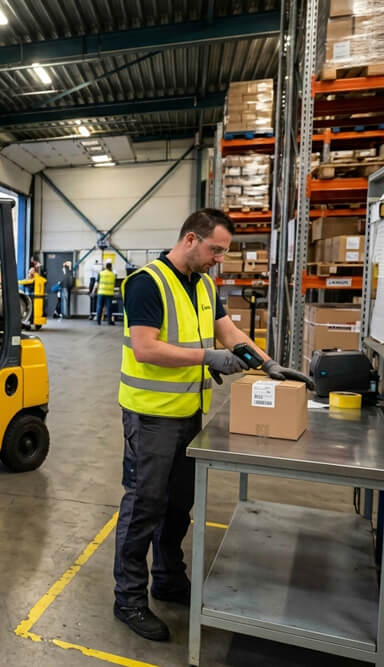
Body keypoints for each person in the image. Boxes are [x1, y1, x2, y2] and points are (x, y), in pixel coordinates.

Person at [112, 208, 312, 642]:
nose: (220, 258)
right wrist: (207, 359)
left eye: (223, 251)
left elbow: (229, 334)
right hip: (150, 417)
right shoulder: (147, 282)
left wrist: (268, 364)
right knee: (144, 506)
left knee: (178, 503)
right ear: (190, 239)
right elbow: (146, 349)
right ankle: (128, 597)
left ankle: (167, 578)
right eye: (215, 249)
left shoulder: (202, 283)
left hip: (188, 413)